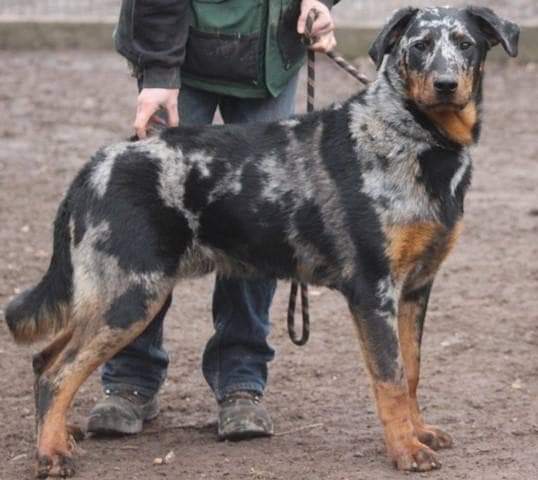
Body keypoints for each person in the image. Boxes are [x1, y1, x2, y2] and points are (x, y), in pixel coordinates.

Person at [87, 0, 338, 441]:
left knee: (259, 221)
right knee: (153, 219)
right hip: (178, 57)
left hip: (269, 57)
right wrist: (160, 72)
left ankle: (241, 380)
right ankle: (131, 378)